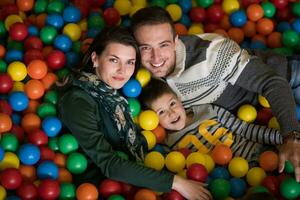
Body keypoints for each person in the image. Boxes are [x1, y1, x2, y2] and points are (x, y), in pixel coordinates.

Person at [130, 6, 300, 182]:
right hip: (251, 118)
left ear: (175, 41)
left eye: (163, 45)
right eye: (146, 48)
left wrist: (291, 136)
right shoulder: (137, 75)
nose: (156, 58)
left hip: (286, 77)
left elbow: (272, 82)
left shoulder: (211, 53)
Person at [58, 27, 212, 200]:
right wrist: (176, 182)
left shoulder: (116, 92)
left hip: (139, 172)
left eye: (130, 62)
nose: (122, 71)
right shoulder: (78, 101)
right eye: (114, 60)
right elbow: (109, 164)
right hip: (105, 189)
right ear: (95, 59)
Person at [140, 78, 283, 162]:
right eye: (161, 112)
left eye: (172, 104)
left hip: (258, 152)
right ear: (153, 119)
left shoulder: (207, 110)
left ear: (180, 100)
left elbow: (244, 129)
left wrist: (282, 138)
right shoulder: (168, 145)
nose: (171, 113)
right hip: (228, 180)